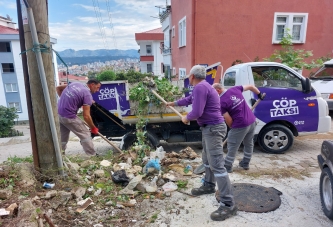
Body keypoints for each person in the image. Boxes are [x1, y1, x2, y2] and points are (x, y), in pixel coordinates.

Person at [166, 65, 237, 221]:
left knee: (217, 165)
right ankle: (208, 185)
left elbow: (196, 112)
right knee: (206, 160)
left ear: (191, 76)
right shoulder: (203, 87)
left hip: (213, 129)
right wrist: (174, 103)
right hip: (208, 129)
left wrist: (186, 117)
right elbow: (189, 99)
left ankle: (228, 204)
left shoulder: (200, 87)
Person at [212, 83, 264, 173]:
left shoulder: (221, 102)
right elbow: (251, 86)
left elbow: (228, 120)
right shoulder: (235, 89)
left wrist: (233, 128)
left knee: (232, 145)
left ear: (217, 90)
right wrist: (259, 94)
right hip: (251, 121)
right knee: (249, 143)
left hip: (240, 124)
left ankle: (227, 165)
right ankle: (245, 163)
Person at [56, 79, 101, 156]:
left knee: (63, 137)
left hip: (59, 114)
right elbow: (86, 116)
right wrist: (93, 128)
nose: (98, 90)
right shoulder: (87, 94)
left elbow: (58, 88)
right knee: (85, 134)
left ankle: (60, 154)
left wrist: (67, 102)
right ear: (92, 84)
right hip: (69, 117)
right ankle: (92, 155)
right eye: (97, 87)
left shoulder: (76, 83)